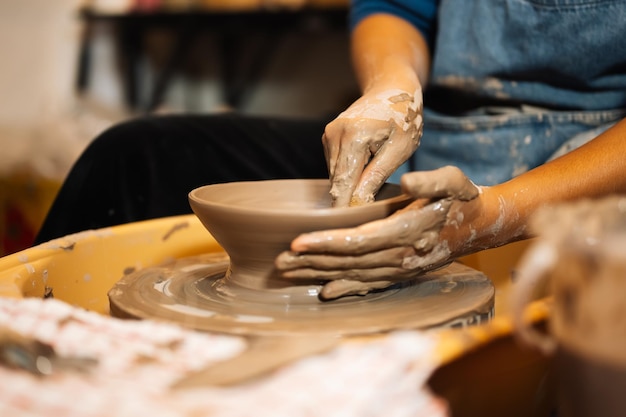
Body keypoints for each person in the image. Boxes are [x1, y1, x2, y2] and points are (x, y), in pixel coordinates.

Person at [36, 0, 626, 299]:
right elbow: (395, 8)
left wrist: (492, 217)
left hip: (594, 178)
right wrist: (394, 87)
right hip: (437, 142)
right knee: (139, 155)